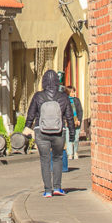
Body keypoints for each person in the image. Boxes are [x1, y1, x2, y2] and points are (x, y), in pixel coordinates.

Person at [24, 69, 75, 197]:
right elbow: (69, 117)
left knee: (45, 160)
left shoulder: (38, 96)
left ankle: (47, 190)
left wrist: (26, 128)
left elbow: (31, 114)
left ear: (44, 82)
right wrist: (72, 133)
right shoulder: (63, 97)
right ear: (57, 82)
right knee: (57, 158)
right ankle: (57, 188)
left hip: (41, 131)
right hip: (59, 132)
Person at [65, 85, 83, 160]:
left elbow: (80, 111)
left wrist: (79, 119)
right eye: (72, 92)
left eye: (74, 92)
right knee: (69, 138)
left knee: (76, 138)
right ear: (68, 92)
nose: (74, 93)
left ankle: (75, 151)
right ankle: (70, 153)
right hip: (68, 122)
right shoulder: (65, 101)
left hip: (76, 122)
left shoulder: (76, 100)